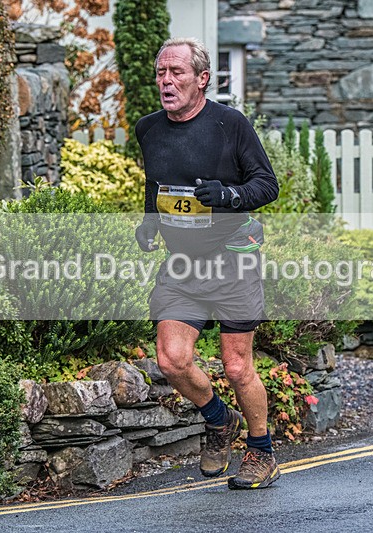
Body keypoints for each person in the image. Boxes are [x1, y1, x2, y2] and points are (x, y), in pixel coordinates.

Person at [133, 37, 281, 489]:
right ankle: (219, 421)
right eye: (161, 72)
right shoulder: (149, 129)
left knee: (237, 367)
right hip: (182, 264)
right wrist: (149, 221)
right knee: (172, 360)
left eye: (176, 72)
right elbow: (157, 182)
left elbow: (267, 185)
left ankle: (262, 452)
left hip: (232, 258)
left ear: (201, 79)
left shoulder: (230, 124)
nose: (166, 81)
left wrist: (229, 196)